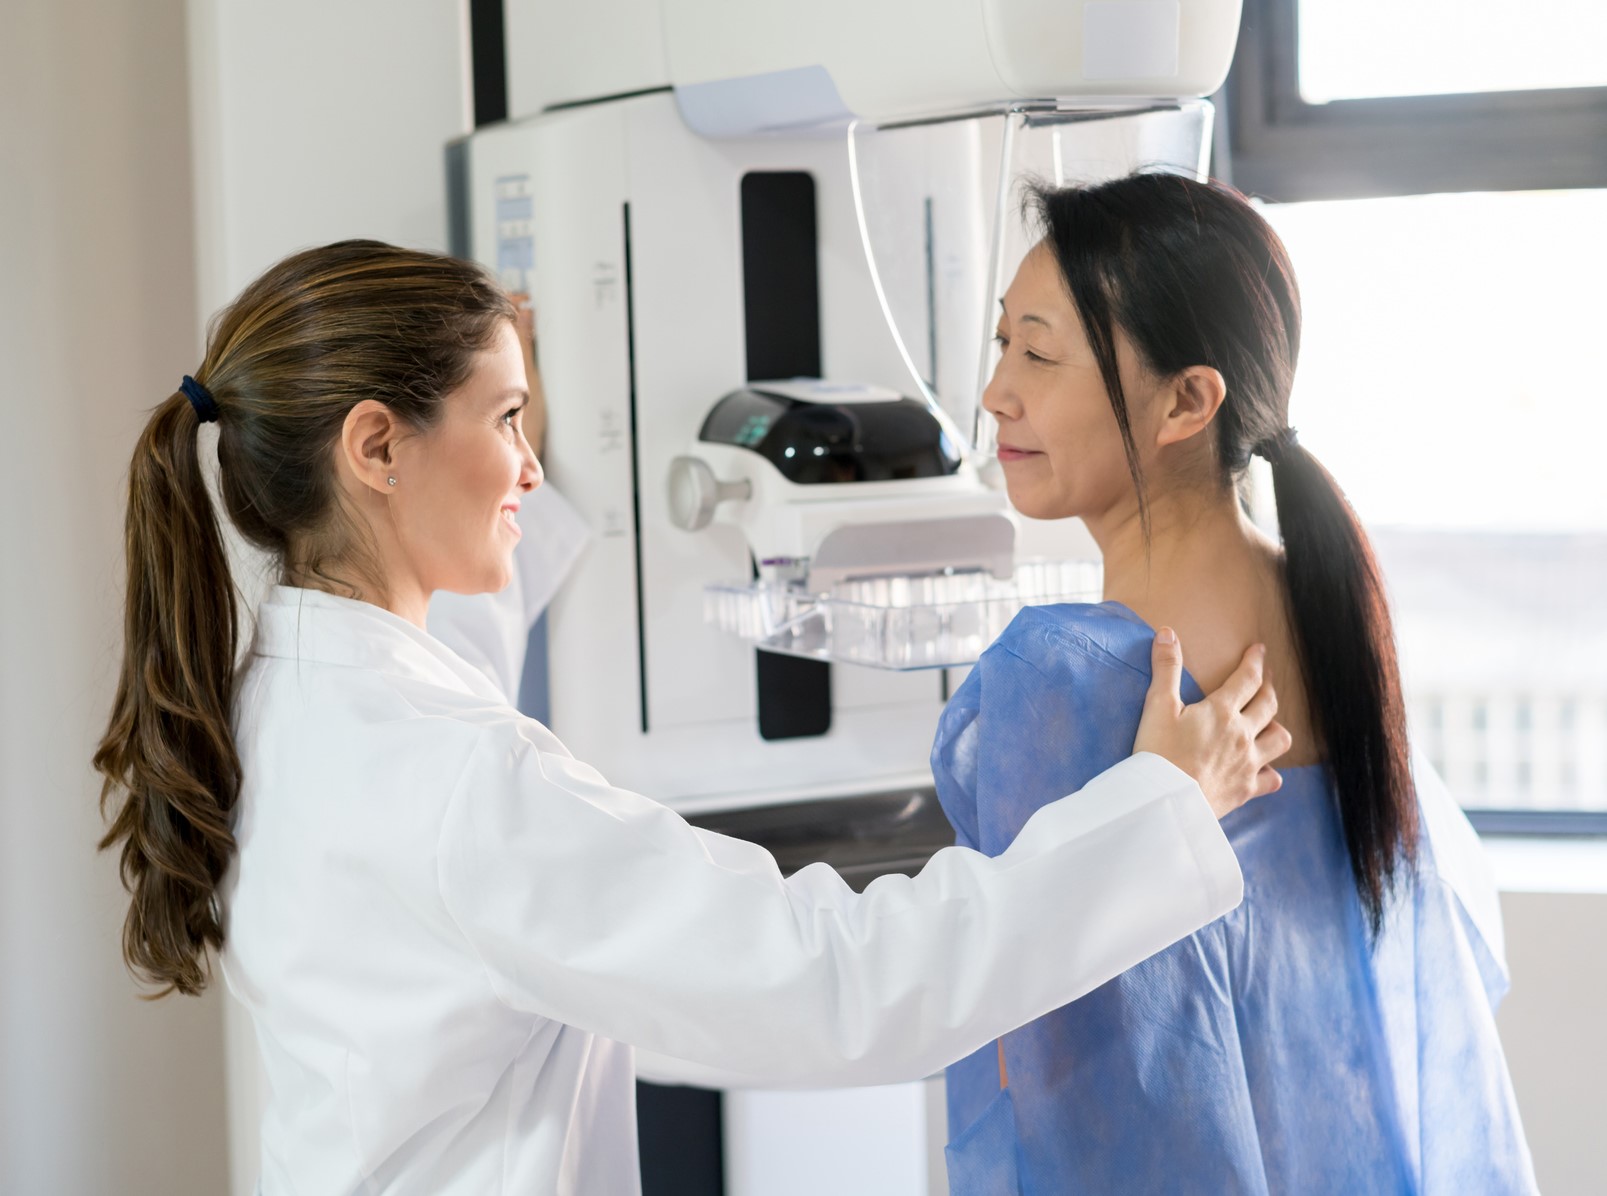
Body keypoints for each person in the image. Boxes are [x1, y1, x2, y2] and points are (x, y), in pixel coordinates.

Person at [91, 239, 1289, 1194]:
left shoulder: (281, 693)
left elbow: (443, 687)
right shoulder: (453, 780)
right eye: (505, 420)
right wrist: (1158, 812)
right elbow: (842, 988)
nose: (526, 462)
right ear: (375, 447)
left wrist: (510, 454)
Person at [932, 173, 1535, 1194]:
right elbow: (1446, 955)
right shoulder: (1328, 613)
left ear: (1186, 400)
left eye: (1037, 352)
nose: (996, 391)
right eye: (1001, 344)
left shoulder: (1061, 680)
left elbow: (1048, 1082)